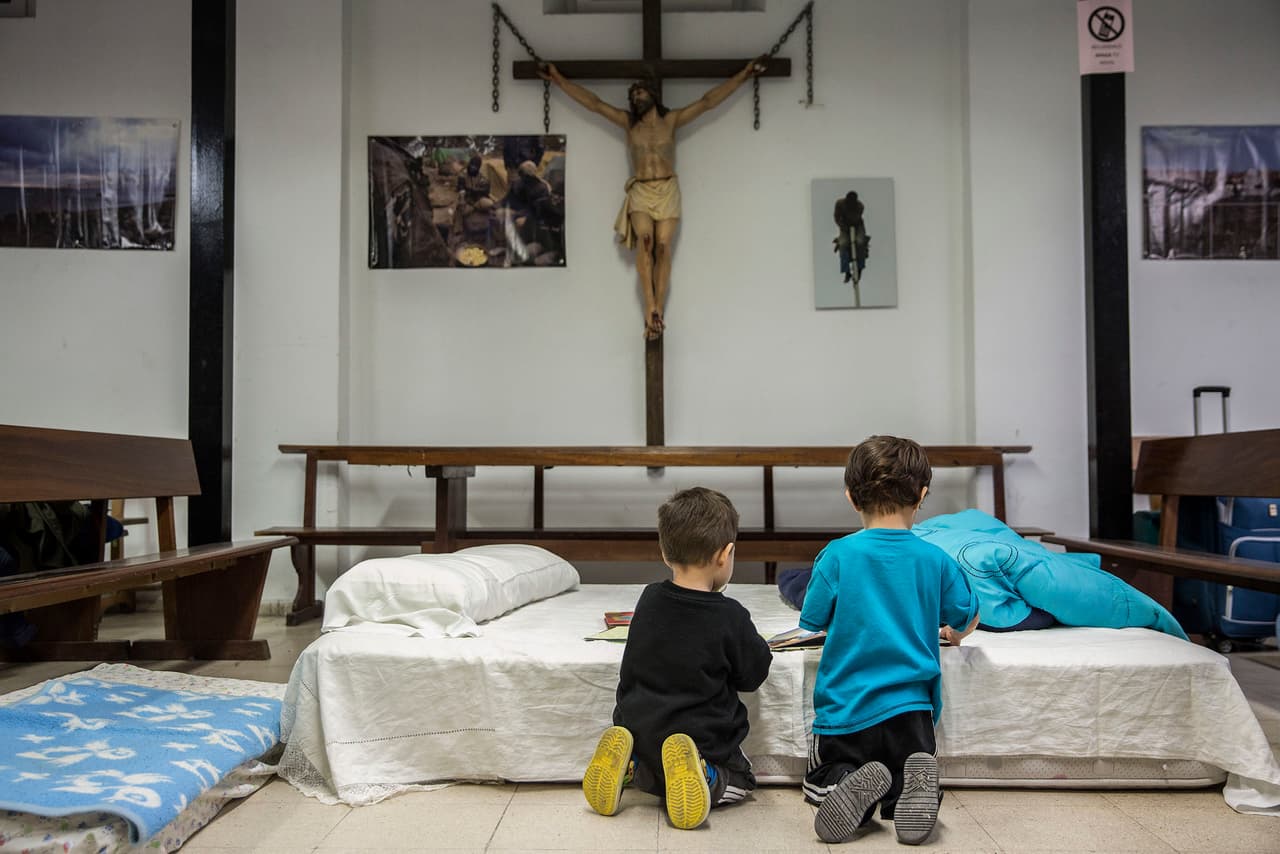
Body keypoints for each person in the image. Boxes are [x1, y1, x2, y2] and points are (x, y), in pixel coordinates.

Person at [799, 436, 980, 845]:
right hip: (912, 711)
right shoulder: (935, 559)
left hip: (847, 706)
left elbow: (812, 619)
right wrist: (955, 631)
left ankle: (847, 783)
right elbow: (968, 615)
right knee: (910, 767)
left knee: (822, 776)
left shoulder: (837, 555)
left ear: (850, 497)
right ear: (922, 495)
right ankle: (909, 792)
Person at [582, 486, 773, 830]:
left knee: (650, 764)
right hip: (703, 742)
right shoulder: (730, 615)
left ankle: (630, 768)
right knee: (742, 778)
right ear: (725, 554)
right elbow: (752, 674)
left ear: (665, 552)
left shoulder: (649, 599)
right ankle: (706, 774)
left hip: (641, 735)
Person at [540, 59, 767, 340]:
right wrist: (559, 80)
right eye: (632, 95)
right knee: (645, 243)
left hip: (667, 188)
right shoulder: (627, 123)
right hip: (641, 191)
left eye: (640, 92)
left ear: (653, 95)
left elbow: (708, 102)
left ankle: (659, 307)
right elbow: (594, 104)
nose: (636, 98)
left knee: (663, 245)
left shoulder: (670, 121)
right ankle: (651, 308)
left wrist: (744, 75)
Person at [833, 191, 869, 287]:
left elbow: (856, 219)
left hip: (858, 226)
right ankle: (846, 271)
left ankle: (859, 269)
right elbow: (836, 217)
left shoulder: (860, 206)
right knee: (843, 243)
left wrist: (852, 229)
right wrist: (842, 226)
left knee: (860, 242)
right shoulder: (839, 203)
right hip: (844, 226)